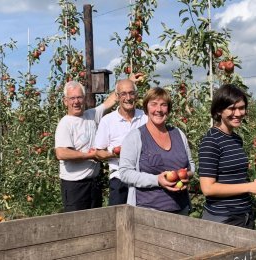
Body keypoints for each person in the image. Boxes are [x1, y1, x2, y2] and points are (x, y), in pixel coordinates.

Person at [198, 84, 256, 229]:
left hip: (244, 215)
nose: (237, 113)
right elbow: (208, 188)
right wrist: (249, 187)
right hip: (223, 218)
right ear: (219, 110)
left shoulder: (236, 139)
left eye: (241, 108)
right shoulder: (211, 141)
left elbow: (233, 178)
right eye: (231, 108)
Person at [119, 87, 195, 215]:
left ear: (168, 109)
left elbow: (191, 164)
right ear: (146, 108)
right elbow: (125, 173)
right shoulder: (135, 137)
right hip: (148, 212)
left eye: (163, 105)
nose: (158, 110)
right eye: (153, 104)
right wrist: (157, 180)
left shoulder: (178, 134)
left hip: (181, 209)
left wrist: (187, 175)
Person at [55, 80, 116, 212]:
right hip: (75, 186)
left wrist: (129, 81)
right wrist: (90, 155)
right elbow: (61, 153)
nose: (76, 101)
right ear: (65, 101)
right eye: (72, 98)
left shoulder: (91, 115)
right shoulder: (65, 124)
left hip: (93, 183)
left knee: (96, 222)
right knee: (76, 225)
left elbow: (109, 102)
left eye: (79, 97)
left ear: (84, 99)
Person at [94, 78, 148, 206]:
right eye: (123, 94)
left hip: (143, 176)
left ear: (136, 95)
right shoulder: (108, 121)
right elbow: (98, 153)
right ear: (117, 97)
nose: (128, 98)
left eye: (131, 93)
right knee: (117, 219)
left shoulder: (146, 118)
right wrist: (116, 154)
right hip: (119, 178)